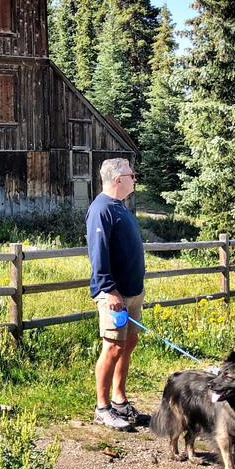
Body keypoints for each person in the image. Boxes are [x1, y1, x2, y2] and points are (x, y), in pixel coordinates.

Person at [87, 157, 147, 431]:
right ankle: (102, 408)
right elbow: (98, 254)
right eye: (132, 175)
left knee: (128, 343)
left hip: (133, 292)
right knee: (112, 346)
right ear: (118, 179)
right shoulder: (101, 209)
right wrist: (109, 290)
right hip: (114, 294)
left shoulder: (120, 207)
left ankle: (119, 400)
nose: (136, 179)